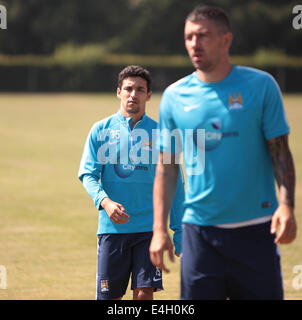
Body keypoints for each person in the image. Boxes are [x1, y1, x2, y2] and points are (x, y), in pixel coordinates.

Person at [149, 6, 297, 300]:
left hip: (256, 231)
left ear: (226, 40)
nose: (194, 43)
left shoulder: (261, 86)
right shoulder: (174, 98)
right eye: (189, 36)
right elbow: (166, 168)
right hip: (199, 234)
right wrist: (159, 230)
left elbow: (280, 152)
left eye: (203, 35)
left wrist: (287, 205)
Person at [78, 65, 184, 300]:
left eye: (139, 89)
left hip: (150, 230)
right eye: (128, 89)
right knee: (110, 298)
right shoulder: (100, 131)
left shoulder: (162, 134)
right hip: (112, 230)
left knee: (144, 294)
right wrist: (105, 202)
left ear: (148, 95)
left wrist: (180, 232)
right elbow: (88, 174)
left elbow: (175, 184)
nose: (133, 94)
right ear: (118, 92)